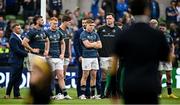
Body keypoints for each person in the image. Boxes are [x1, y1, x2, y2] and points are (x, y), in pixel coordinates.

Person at [111, 0, 170, 104]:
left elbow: (114, 63)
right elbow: (167, 58)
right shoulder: (157, 35)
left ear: (131, 12)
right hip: (150, 85)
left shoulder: (123, 34)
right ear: (147, 11)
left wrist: (113, 89)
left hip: (130, 85)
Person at [45, 17, 72, 99]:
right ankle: (50, 94)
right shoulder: (46, 32)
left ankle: (65, 94)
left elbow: (62, 43)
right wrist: (46, 52)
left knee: (61, 75)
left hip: (58, 57)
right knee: (51, 76)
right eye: (54, 23)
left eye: (56, 23)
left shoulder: (59, 32)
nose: (55, 25)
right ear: (50, 23)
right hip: (50, 57)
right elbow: (45, 43)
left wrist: (62, 53)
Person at [97, 13, 121, 98]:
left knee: (114, 76)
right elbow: (97, 41)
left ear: (113, 19)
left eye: (110, 18)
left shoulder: (118, 30)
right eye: (107, 18)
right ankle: (103, 94)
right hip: (103, 56)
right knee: (104, 75)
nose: (108, 20)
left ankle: (112, 93)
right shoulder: (100, 29)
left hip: (114, 57)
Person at [79, 19, 102, 99]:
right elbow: (87, 45)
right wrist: (95, 44)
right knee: (85, 75)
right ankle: (82, 94)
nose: (92, 27)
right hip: (86, 57)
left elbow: (100, 45)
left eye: (93, 26)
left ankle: (92, 95)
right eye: (90, 25)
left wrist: (92, 44)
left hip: (94, 57)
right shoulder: (83, 34)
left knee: (94, 75)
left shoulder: (95, 34)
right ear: (86, 25)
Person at [4, 23, 28, 99]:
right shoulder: (13, 38)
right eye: (18, 28)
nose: (20, 29)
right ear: (13, 29)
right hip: (15, 60)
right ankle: (7, 94)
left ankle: (16, 94)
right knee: (13, 78)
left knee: (18, 78)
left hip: (19, 60)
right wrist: (26, 53)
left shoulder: (18, 37)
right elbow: (16, 50)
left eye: (20, 28)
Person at [158, 23, 178, 99]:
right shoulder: (156, 36)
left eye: (163, 28)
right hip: (159, 58)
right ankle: (159, 93)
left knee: (169, 75)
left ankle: (170, 93)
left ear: (165, 29)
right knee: (159, 76)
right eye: (160, 28)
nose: (161, 29)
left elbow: (172, 45)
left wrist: (172, 53)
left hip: (167, 58)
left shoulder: (169, 36)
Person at [74, 17, 91, 98]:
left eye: (85, 22)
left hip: (89, 57)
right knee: (80, 75)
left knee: (88, 75)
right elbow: (76, 45)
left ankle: (88, 94)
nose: (84, 24)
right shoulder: (78, 32)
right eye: (83, 22)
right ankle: (80, 94)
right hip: (81, 57)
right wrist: (79, 56)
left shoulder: (91, 31)